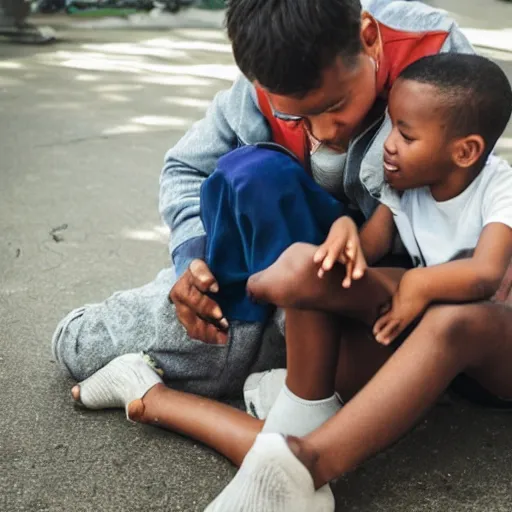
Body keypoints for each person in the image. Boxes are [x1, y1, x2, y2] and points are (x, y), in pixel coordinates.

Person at [70, 53, 512, 512]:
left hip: (492, 344)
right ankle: (150, 395)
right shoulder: (407, 182)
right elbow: (367, 248)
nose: (388, 144)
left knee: (453, 320)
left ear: (465, 151)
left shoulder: (499, 187)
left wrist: (419, 286)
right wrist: (344, 235)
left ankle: (307, 465)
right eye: (391, 127)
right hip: (416, 334)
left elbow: (485, 275)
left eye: (405, 133)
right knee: (313, 266)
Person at [52, 0, 484, 404]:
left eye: (335, 106)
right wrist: (193, 263)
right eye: (296, 116)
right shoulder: (268, 74)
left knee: (408, 360)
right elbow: (186, 169)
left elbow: (456, 218)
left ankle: (281, 356)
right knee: (77, 346)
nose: (326, 132)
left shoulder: (436, 59)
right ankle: (267, 344)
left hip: (383, 282)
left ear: (368, 37)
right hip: (264, 277)